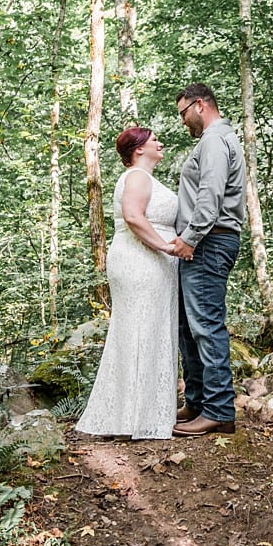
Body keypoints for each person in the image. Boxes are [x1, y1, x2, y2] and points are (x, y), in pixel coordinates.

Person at [75, 127, 180, 440]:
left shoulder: (145, 177)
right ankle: (133, 417)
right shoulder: (136, 176)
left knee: (148, 329)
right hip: (140, 260)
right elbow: (134, 217)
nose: (160, 143)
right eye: (153, 141)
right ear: (138, 150)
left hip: (149, 261)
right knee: (139, 329)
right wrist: (165, 247)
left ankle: (141, 413)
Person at [170, 84, 247, 437]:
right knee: (189, 327)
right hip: (207, 242)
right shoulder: (214, 140)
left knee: (206, 326)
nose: (182, 119)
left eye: (183, 111)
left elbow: (210, 196)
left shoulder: (215, 140)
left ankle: (218, 411)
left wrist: (190, 238)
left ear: (200, 105)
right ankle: (198, 400)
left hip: (209, 242)